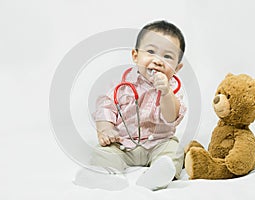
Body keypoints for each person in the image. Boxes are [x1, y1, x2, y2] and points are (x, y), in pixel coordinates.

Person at [75, 20, 186, 191]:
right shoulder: (123, 85)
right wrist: (106, 129)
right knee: (104, 152)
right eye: (151, 52)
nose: (158, 61)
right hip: (123, 143)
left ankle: (157, 176)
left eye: (167, 56)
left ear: (177, 68)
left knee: (175, 151)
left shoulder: (173, 90)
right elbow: (106, 107)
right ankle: (105, 175)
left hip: (159, 143)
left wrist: (165, 93)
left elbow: (171, 116)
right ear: (135, 56)